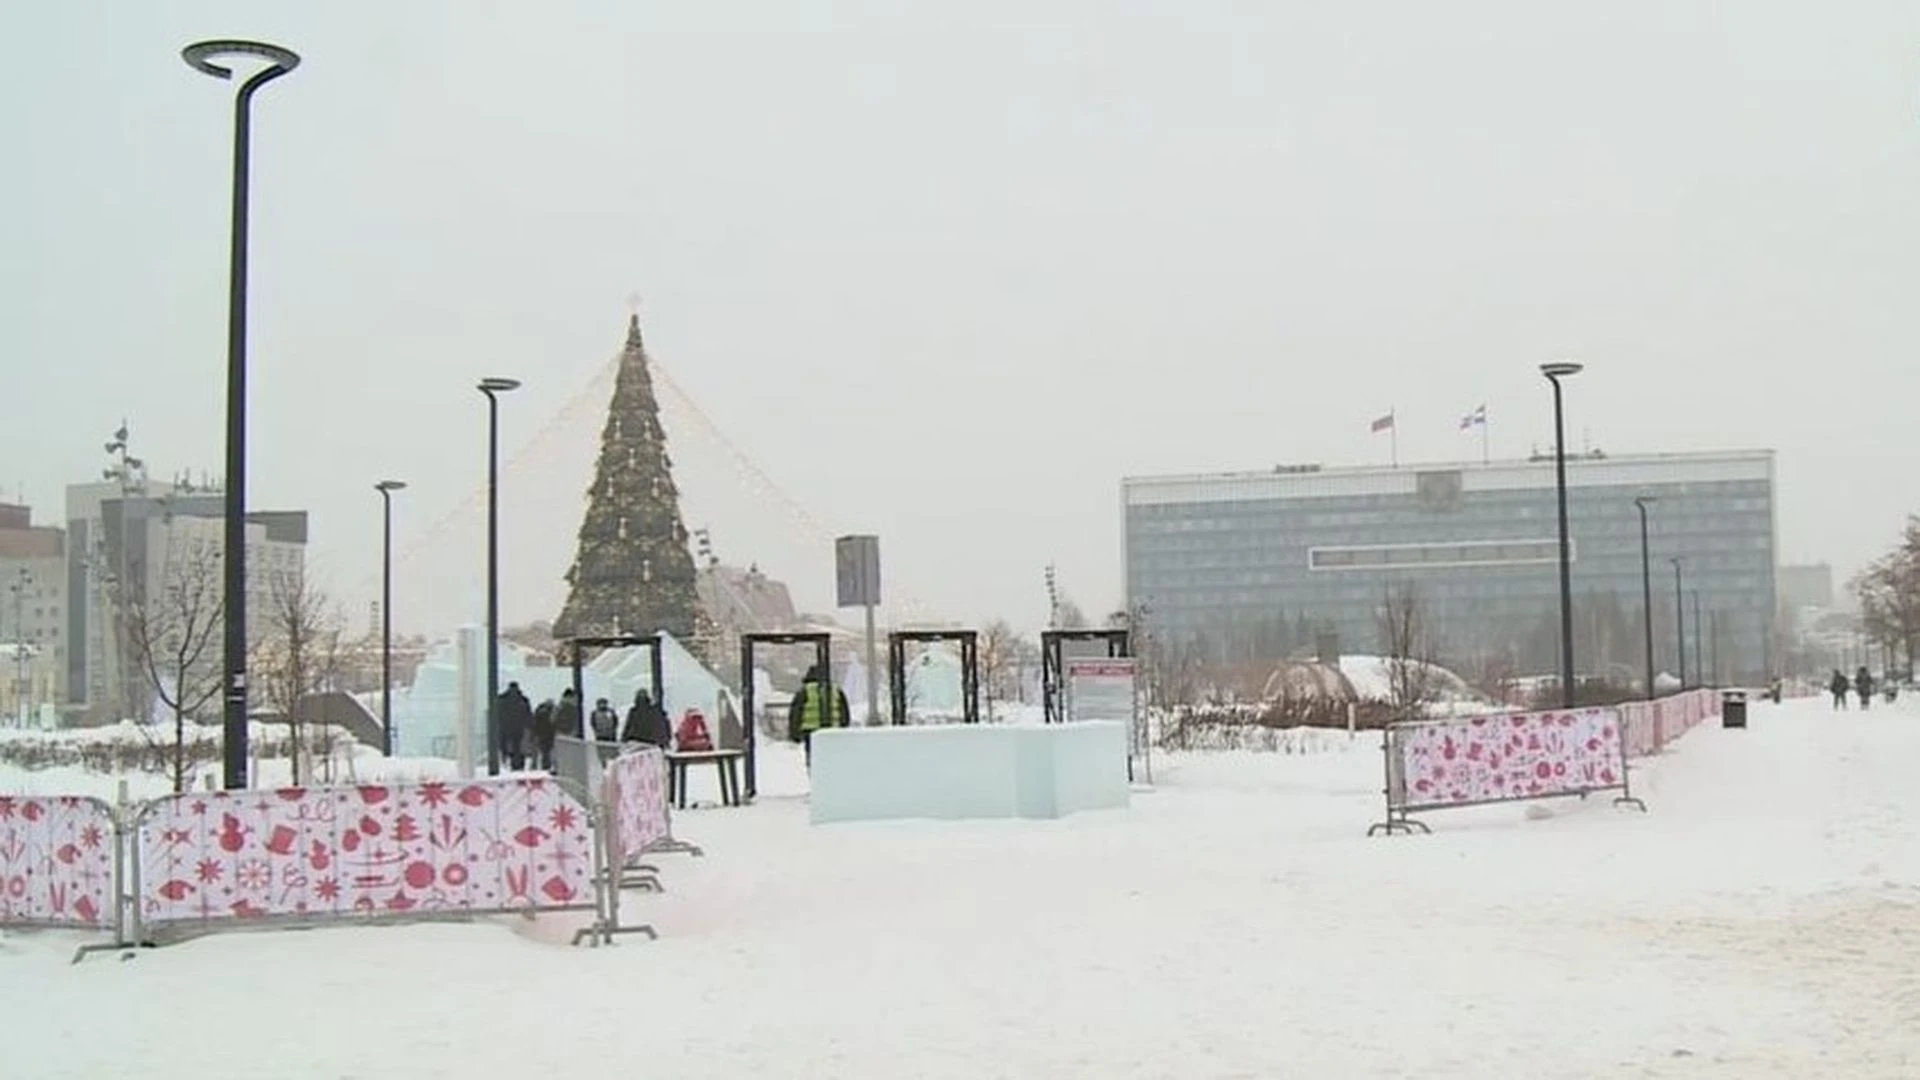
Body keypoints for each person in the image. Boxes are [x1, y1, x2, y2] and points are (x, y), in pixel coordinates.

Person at [787, 663, 851, 769]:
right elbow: (844, 713)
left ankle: (815, 777)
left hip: (810, 731)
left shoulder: (804, 691)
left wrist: (795, 734)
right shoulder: (835, 690)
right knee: (831, 759)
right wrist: (843, 730)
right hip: (832, 732)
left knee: (813, 760)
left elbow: (796, 713)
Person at [496, 682, 533, 770]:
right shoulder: (523, 700)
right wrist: (529, 726)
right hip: (518, 727)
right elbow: (528, 715)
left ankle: (504, 761)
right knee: (517, 746)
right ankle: (516, 763)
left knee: (504, 745)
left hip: (505, 726)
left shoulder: (502, 699)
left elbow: (498, 714)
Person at [530, 698, 557, 771]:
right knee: (546, 753)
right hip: (547, 735)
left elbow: (534, 723)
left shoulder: (539, 711)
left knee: (540, 752)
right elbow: (552, 725)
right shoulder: (549, 713)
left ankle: (534, 767)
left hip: (539, 734)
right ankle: (546, 767)